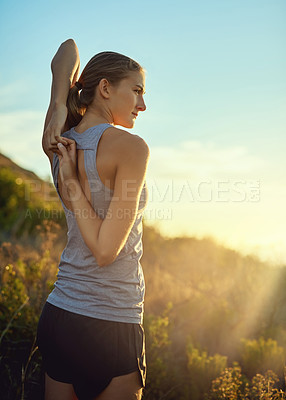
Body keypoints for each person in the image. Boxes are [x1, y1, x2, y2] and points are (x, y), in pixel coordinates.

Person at [37, 39, 149, 400]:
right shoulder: (132, 148)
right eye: (136, 91)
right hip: (112, 320)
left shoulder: (57, 139)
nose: (142, 105)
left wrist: (57, 106)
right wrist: (71, 182)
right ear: (104, 88)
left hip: (60, 313)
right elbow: (104, 251)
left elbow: (66, 50)